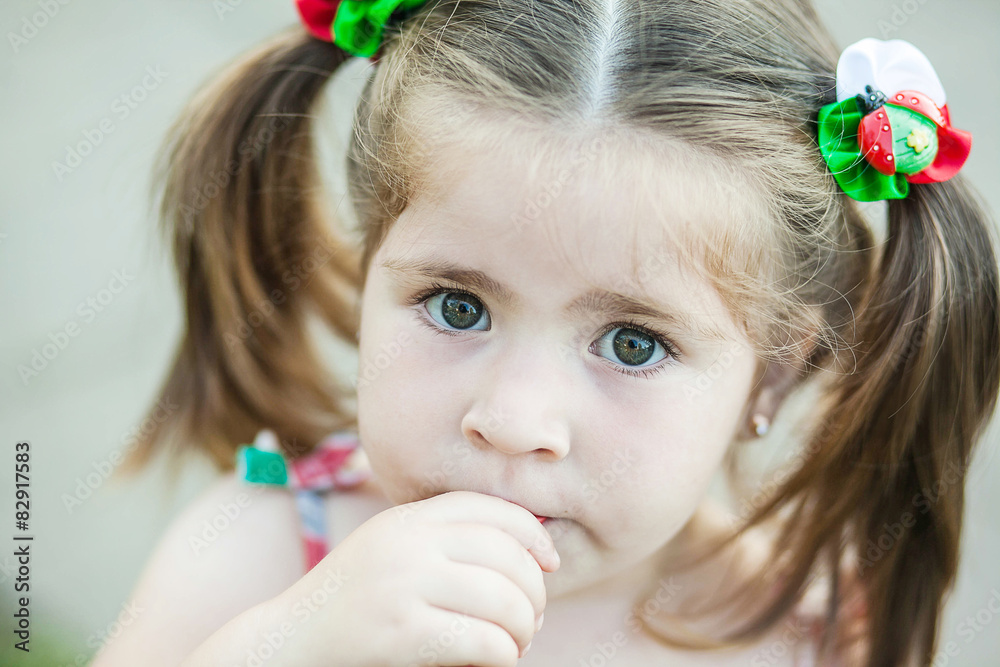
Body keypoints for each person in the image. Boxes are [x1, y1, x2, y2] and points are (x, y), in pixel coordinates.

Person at [91, 0, 999, 665]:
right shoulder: (265, 554)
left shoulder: (797, 631)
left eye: (634, 343)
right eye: (457, 305)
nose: (515, 419)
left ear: (770, 374)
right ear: (373, 266)